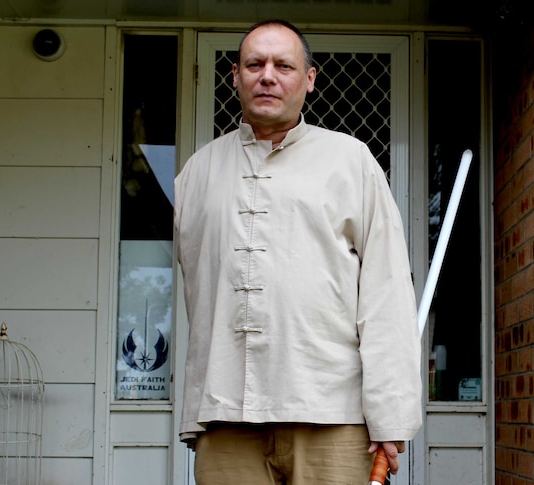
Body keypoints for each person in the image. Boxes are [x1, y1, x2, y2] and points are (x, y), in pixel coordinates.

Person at [175, 19, 422, 484]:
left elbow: (387, 295)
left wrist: (391, 415)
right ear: (235, 76)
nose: (268, 75)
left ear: (308, 79)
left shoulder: (351, 161)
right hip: (226, 418)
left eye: (283, 65)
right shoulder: (198, 172)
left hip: (333, 417)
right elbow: (199, 295)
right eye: (255, 64)